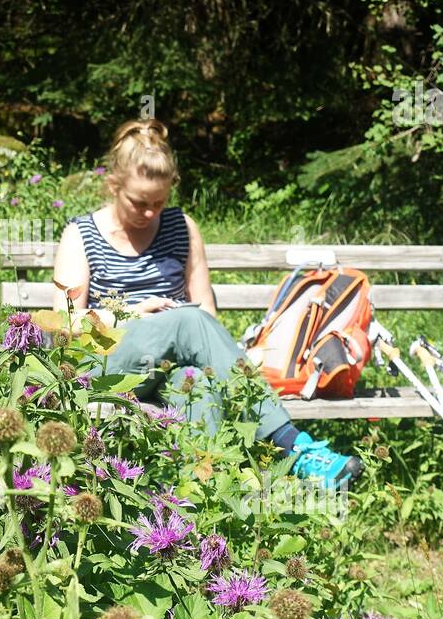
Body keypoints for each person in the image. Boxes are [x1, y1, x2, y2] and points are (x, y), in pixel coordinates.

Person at [51, 118, 363, 490]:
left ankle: (195, 507)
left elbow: (207, 316)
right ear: (113, 185)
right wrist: (135, 311)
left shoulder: (181, 227)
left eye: (159, 202)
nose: (150, 213)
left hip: (168, 364)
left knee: (198, 384)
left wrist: (181, 326)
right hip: (105, 360)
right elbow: (64, 325)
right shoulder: (81, 234)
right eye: (138, 202)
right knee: (187, 321)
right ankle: (291, 445)